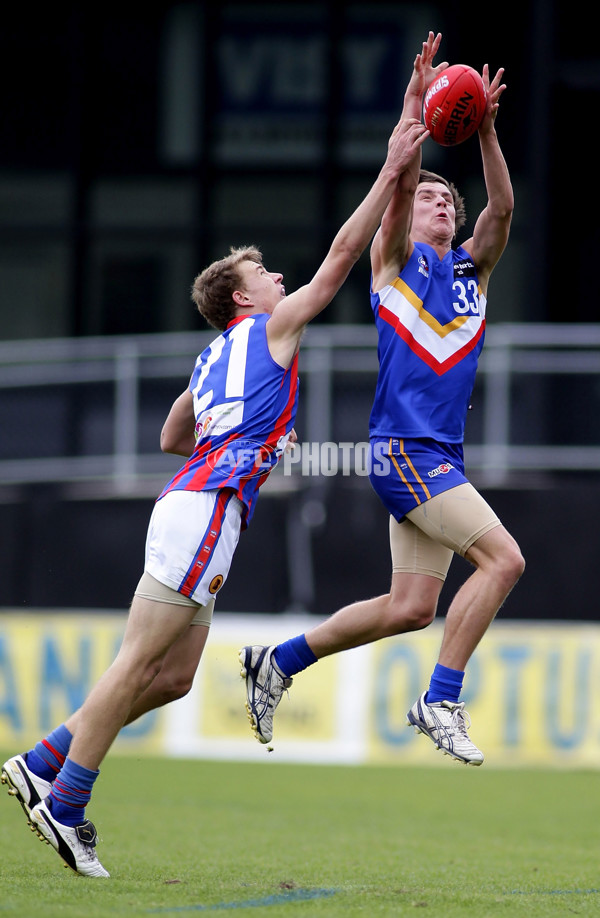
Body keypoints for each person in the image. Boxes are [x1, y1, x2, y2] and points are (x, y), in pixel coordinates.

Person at [1, 112, 429, 877]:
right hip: (204, 512)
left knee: (173, 676)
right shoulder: (270, 331)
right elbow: (338, 260)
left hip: (195, 505)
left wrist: (249, 437)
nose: (280, 280)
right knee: (137, 666)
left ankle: (45, 755)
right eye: (265, 276)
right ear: (242, 300)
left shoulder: (210, 357)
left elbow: (173, 434)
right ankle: (62, 797)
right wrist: (393, 168)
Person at [240, 32, 525, 767]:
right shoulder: (393, 267)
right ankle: (441, 699)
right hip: (406, 452)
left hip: (433, 455)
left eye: (443, 200)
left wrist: (486, 129)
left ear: (454, 222)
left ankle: (280, 661)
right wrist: (416, 114)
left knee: (410, 608)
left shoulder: (473, 272)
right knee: (504, 562)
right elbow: (399, 183)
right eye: (426, 195)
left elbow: (502, 207)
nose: (434, 202)